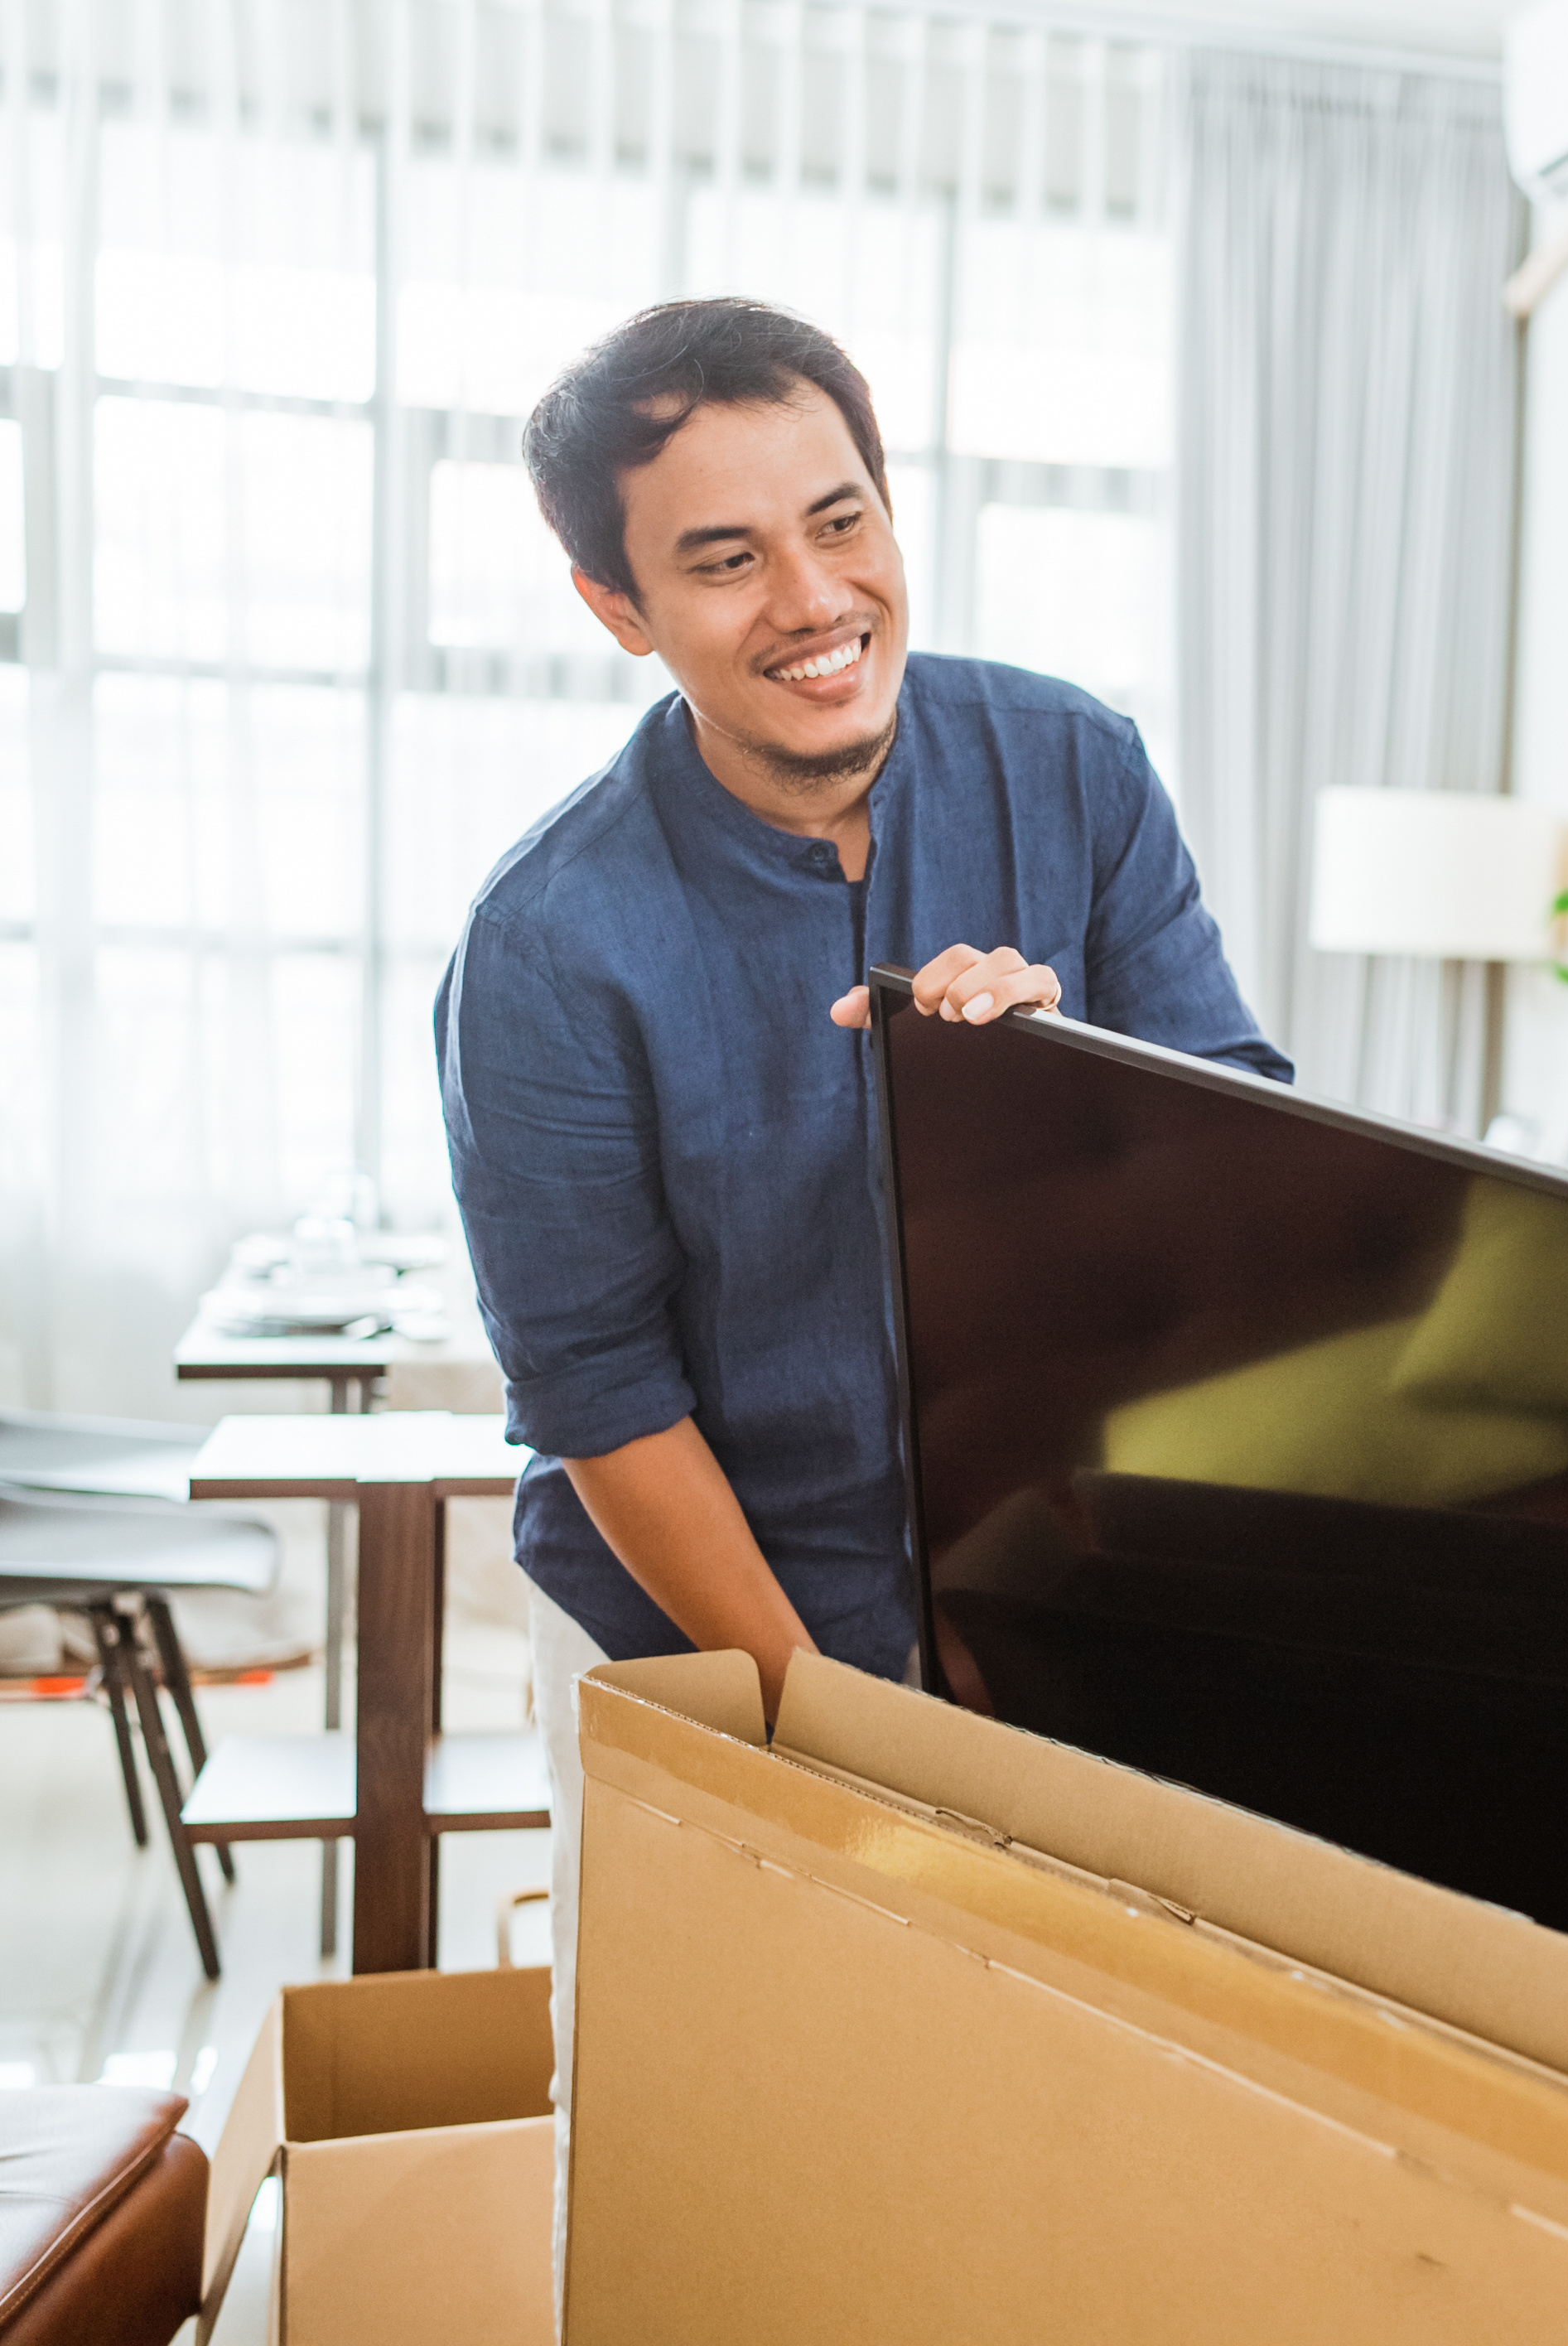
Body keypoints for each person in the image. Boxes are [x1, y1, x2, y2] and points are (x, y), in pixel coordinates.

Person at [436, 299, 1288, 2275]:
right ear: (615, 606)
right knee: (742, 2193)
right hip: (717, 1628)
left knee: (1075, 2171)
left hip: (1061, 1597)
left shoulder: (1073, 766)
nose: (813, 600)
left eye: (841, 522)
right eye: (722, 560)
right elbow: (598, 1393)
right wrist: (830, 1726)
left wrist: (1075, 1093)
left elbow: (1251, 1173)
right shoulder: (551, 944)